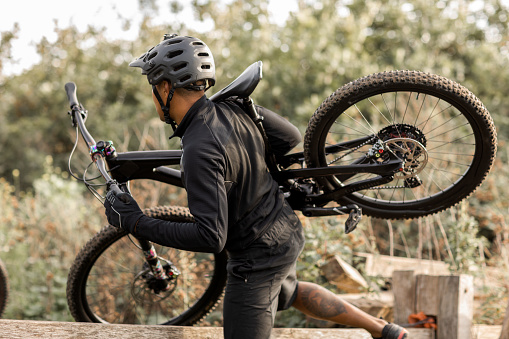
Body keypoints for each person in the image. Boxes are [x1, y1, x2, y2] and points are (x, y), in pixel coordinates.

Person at [103, 34, 408, 339]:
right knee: (289, 293)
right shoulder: (232, 108)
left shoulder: (198, 149)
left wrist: (136, 222)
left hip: (257, 258)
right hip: (284, 229)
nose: (154, 95)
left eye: (154, 88)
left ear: (166, 87)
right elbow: (289, 137)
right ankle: (382, 330)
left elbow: (211, 238)